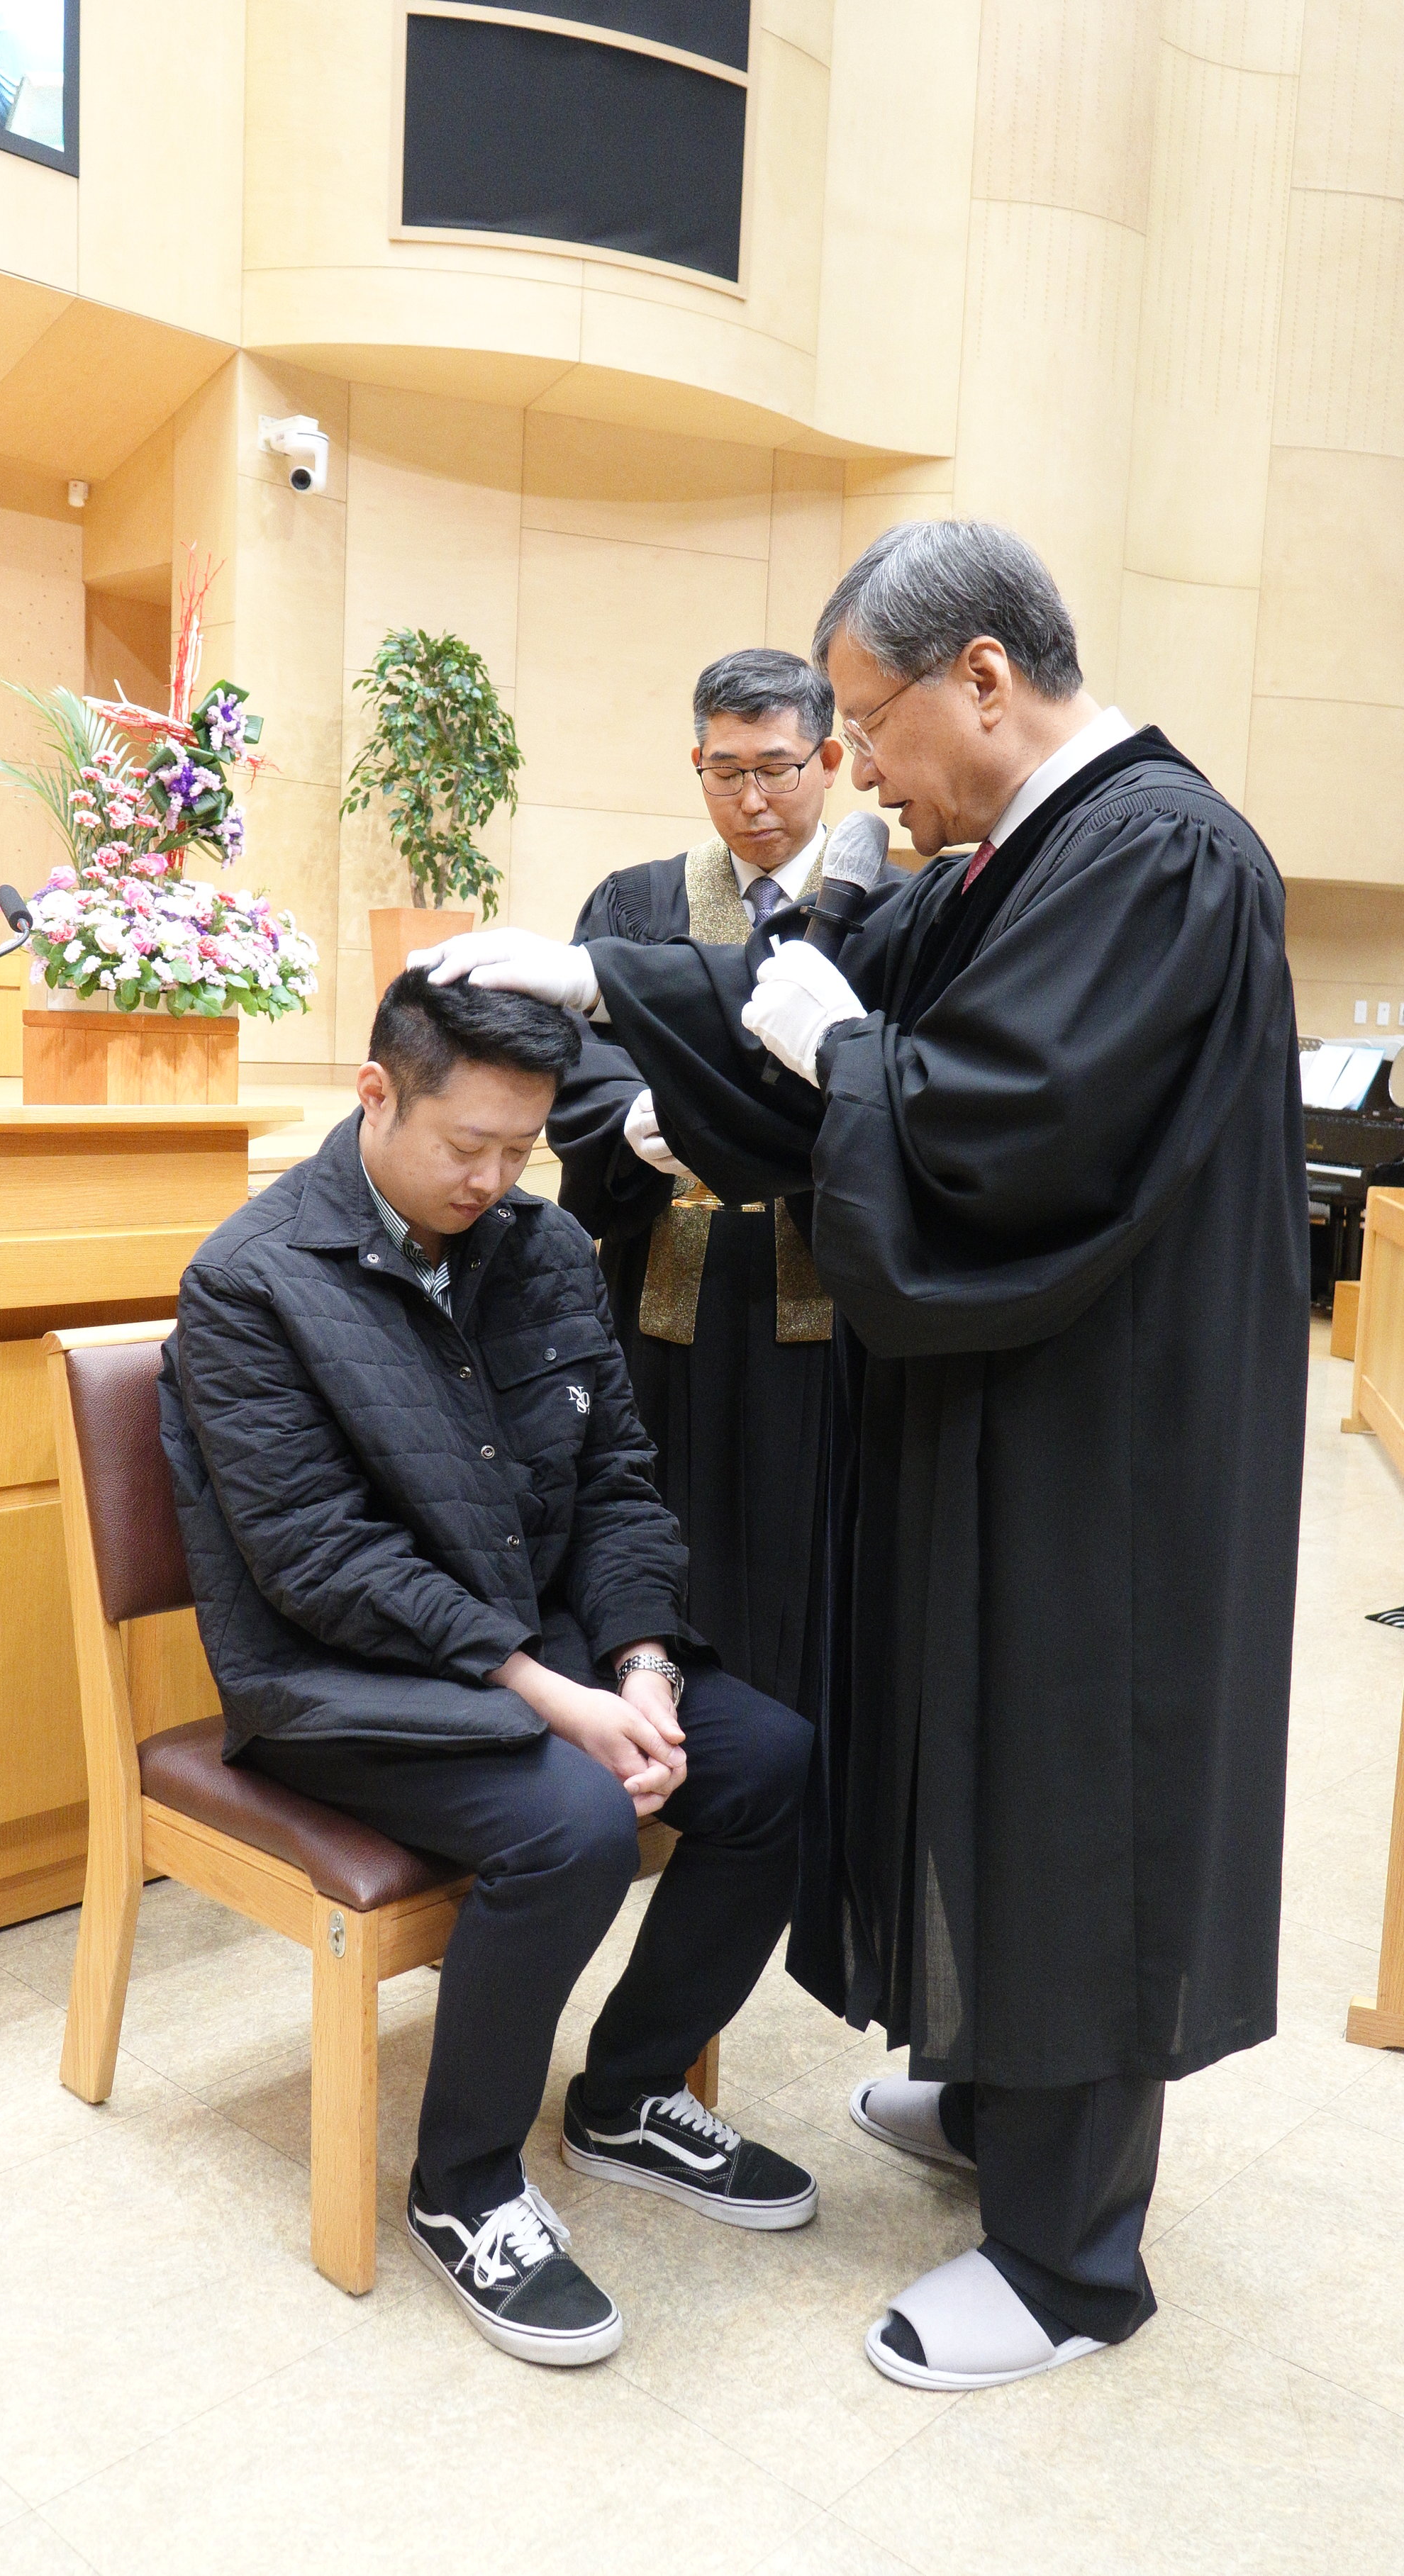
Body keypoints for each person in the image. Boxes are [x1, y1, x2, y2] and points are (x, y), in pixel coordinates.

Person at [412, 520, 1310, 2394]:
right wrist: (602, 986)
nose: (859, 772)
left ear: (984, 676)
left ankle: (1069, 2259)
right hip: (1006, 1407)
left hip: (1105, 1444)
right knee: (978, 1748)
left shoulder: (1161, 850)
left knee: (1072, 1783)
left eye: (867, 723)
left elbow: (1020, 1128)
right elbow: (801, 1026)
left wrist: (853, 1063)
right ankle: (997, 2093)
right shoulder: (1017, 852)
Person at [158, 969, 818, 2370]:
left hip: (537, 1643)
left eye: (522, 1149)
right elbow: (317, 1560)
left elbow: (618, 1479)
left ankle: (627, 2092)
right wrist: (549, 1694)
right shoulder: (249, 1280)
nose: (493, 1179)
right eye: (468, 1144)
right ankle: (462, 2181)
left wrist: (640, 1658)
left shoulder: (542, 1245)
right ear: (375, 1093)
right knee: (571, 1823)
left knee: (770, 1759)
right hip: (333, 1681)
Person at [548, 646, 901, 1716]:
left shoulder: (895, 909)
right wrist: (629, 1119)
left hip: (833, 1301)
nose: (752, 801)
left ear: (828, 759)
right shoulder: (636, 903)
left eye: (777, 770)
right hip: (671, 1295)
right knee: (660, 1528)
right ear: (696, 764)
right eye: (726, 771)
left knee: (823, 1556)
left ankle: (804, 1770)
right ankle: (670, 1751)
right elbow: (574, 1056)